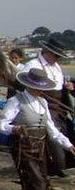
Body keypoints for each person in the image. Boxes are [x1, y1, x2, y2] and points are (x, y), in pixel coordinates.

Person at [0, 67, 74, 190]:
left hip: (40, 148)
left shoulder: (42, 102)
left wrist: (68, 144)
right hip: (23, 148)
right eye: (39, 88)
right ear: (30, 86)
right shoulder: (16, 101)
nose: (41, 91)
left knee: (42, 184)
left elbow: (51, 129)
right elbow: (2, 124)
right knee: (37, 184)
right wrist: (14, 129)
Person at [20, 34, 74, 178]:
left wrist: (68, 86)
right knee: (54, 132)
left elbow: (60, 86)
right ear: (48, 52)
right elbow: (24, 86)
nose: (58, 59)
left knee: (69, 128)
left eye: (59, 56)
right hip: (42, 105)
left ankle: (69, 163)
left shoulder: (56, 67)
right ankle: (58, 166)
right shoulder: (33, 65)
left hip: (58, 106)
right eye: (56, 56)